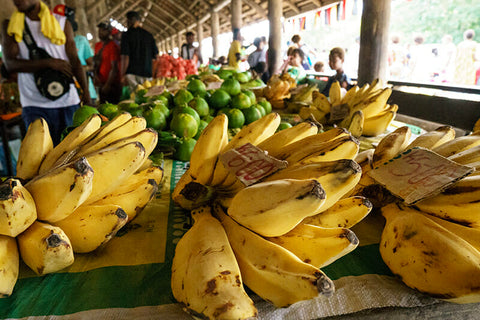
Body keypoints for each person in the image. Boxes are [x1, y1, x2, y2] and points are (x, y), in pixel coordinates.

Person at [2, 0, 91, 145]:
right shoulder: (12, 26)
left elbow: (74, 60)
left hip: (68, 102)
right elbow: (10, 65)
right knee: (42, 159)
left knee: (72, 152)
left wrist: (86, 93)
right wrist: (49, 63)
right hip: (34, 105)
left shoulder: (61, 23)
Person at [53, 4, 98, 103]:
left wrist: (76, 68)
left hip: (83, 89)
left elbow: (91, 65)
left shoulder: (81, 40)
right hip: (61, 92)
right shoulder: (52, 43)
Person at [120, 11, 158, 92]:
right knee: (147, 98)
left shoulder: (126, 35)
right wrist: (153, 74)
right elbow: (155, 58)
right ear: (138, 21)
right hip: (147, 74)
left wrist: (122, 75)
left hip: (132, 74)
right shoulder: (149, 35)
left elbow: (125, 57)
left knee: (135, 99)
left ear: (129, 21)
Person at [94, 21, 121, 104]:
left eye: (103, 30)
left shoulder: (113, 46)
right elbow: (96, 63)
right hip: (101, 83)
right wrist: (95, 76)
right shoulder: (97, 45)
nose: (100, 32)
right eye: (99, 30)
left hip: (112, 84)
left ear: (109, 32)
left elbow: (114, 67)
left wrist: (108, 85)